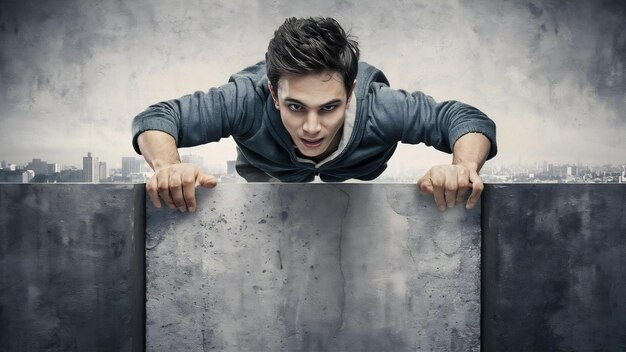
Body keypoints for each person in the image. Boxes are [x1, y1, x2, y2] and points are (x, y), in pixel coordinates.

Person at [132, 17, 497, 213]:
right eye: (295, 106)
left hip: (356, 174)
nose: (311, 127)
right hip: (268, 175)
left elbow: (466, 119)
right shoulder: (246, 98)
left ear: (351, 93)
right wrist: (167, 168)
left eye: (329, 107)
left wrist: (462, 168)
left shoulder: (380, 106)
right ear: (273, 93)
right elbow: (158, 118)